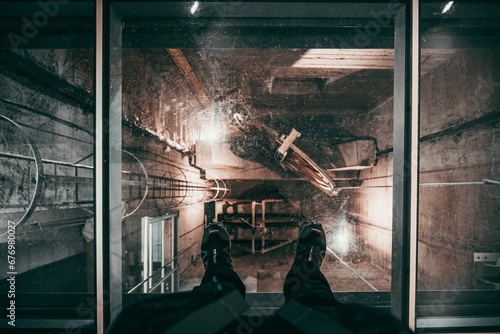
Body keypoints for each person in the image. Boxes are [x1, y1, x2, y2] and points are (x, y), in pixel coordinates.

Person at [107, 222, 413, 334]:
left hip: (215, 325)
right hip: (305, 326)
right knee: (312, 299)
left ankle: (219, 270)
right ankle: (304, 270)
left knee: (143, 320)